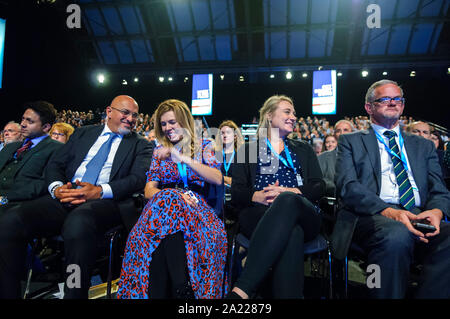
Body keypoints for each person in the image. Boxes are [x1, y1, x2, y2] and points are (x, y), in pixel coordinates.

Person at [0, 95, 153, 299]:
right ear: (109, 112)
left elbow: (137, 179)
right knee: (9, 220)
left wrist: (98, 190)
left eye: (134, 115)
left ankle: (75, 293)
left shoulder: (140, 144)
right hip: (66, 196)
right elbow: (55, 165)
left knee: (77, 223)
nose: (131, 119)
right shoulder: (83, 134)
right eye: (125, 112)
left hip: (105, 202)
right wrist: (56, 188)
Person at [331, 79, 450, 298]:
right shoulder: (351, 142)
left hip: (418, 213)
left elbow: (439, 190)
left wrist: (436, 211)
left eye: (397, 99)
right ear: (369, 107)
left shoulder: (422, 145)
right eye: (385, 99)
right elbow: (348, 187)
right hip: (372, 215)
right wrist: (391, 212)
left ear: (403, 105)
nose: (393, 103)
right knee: (397, 234)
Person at [117, 99, 227, 299]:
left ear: (184, 121)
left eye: (172, 122)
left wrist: (181, 157)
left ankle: (167, 290)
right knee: (169, 203)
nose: (167, 128)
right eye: (163, 124)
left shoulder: (205, 145)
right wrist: (175, 195)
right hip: (165, 208)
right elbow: (149, 190)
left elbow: (217, 178)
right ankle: (181, 288)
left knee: (161, 228)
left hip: (199, 210)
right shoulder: (159, 152)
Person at [228, 95, 324, 299]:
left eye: (294, 113)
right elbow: (236, 191)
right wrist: (256, 196)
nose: (293, 117)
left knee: (287, 200)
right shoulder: (248, 149)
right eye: (287, 112)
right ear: (270, 116)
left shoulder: (303, 149)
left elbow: (318, 186)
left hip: (303, 211)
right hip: (259, 213)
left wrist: (290, 192)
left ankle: (242, 290)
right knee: (292, 233)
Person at [0, 102, 63, 212]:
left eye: (30, 121)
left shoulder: (57, 149)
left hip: (18, 205)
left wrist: (5, 198)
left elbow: (43, 184)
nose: (23, 124)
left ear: (46, 127)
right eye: (23, 119)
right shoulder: (10, 147)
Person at [317, 120, 354, 196]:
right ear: (334, 134)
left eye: (346, 130)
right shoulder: (322, 158)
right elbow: (319, 180)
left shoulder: (363, 156)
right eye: (338, 131)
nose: (342, 133)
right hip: (331, 201)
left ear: (353, 133)